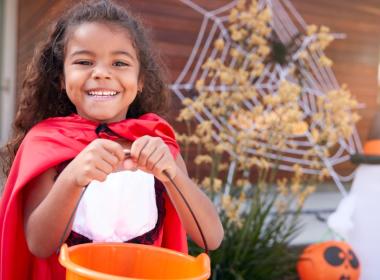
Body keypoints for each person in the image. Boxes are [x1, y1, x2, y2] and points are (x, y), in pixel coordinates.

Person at [0, 0, 224, 279]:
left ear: (140, 79)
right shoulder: (45, 143)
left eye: (119, 63)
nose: (102, 73)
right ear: (60, 77)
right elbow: (39, 244)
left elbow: (210, 238)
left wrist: (172, 174)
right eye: (84, 62)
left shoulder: (158, 141)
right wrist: (73, 177)